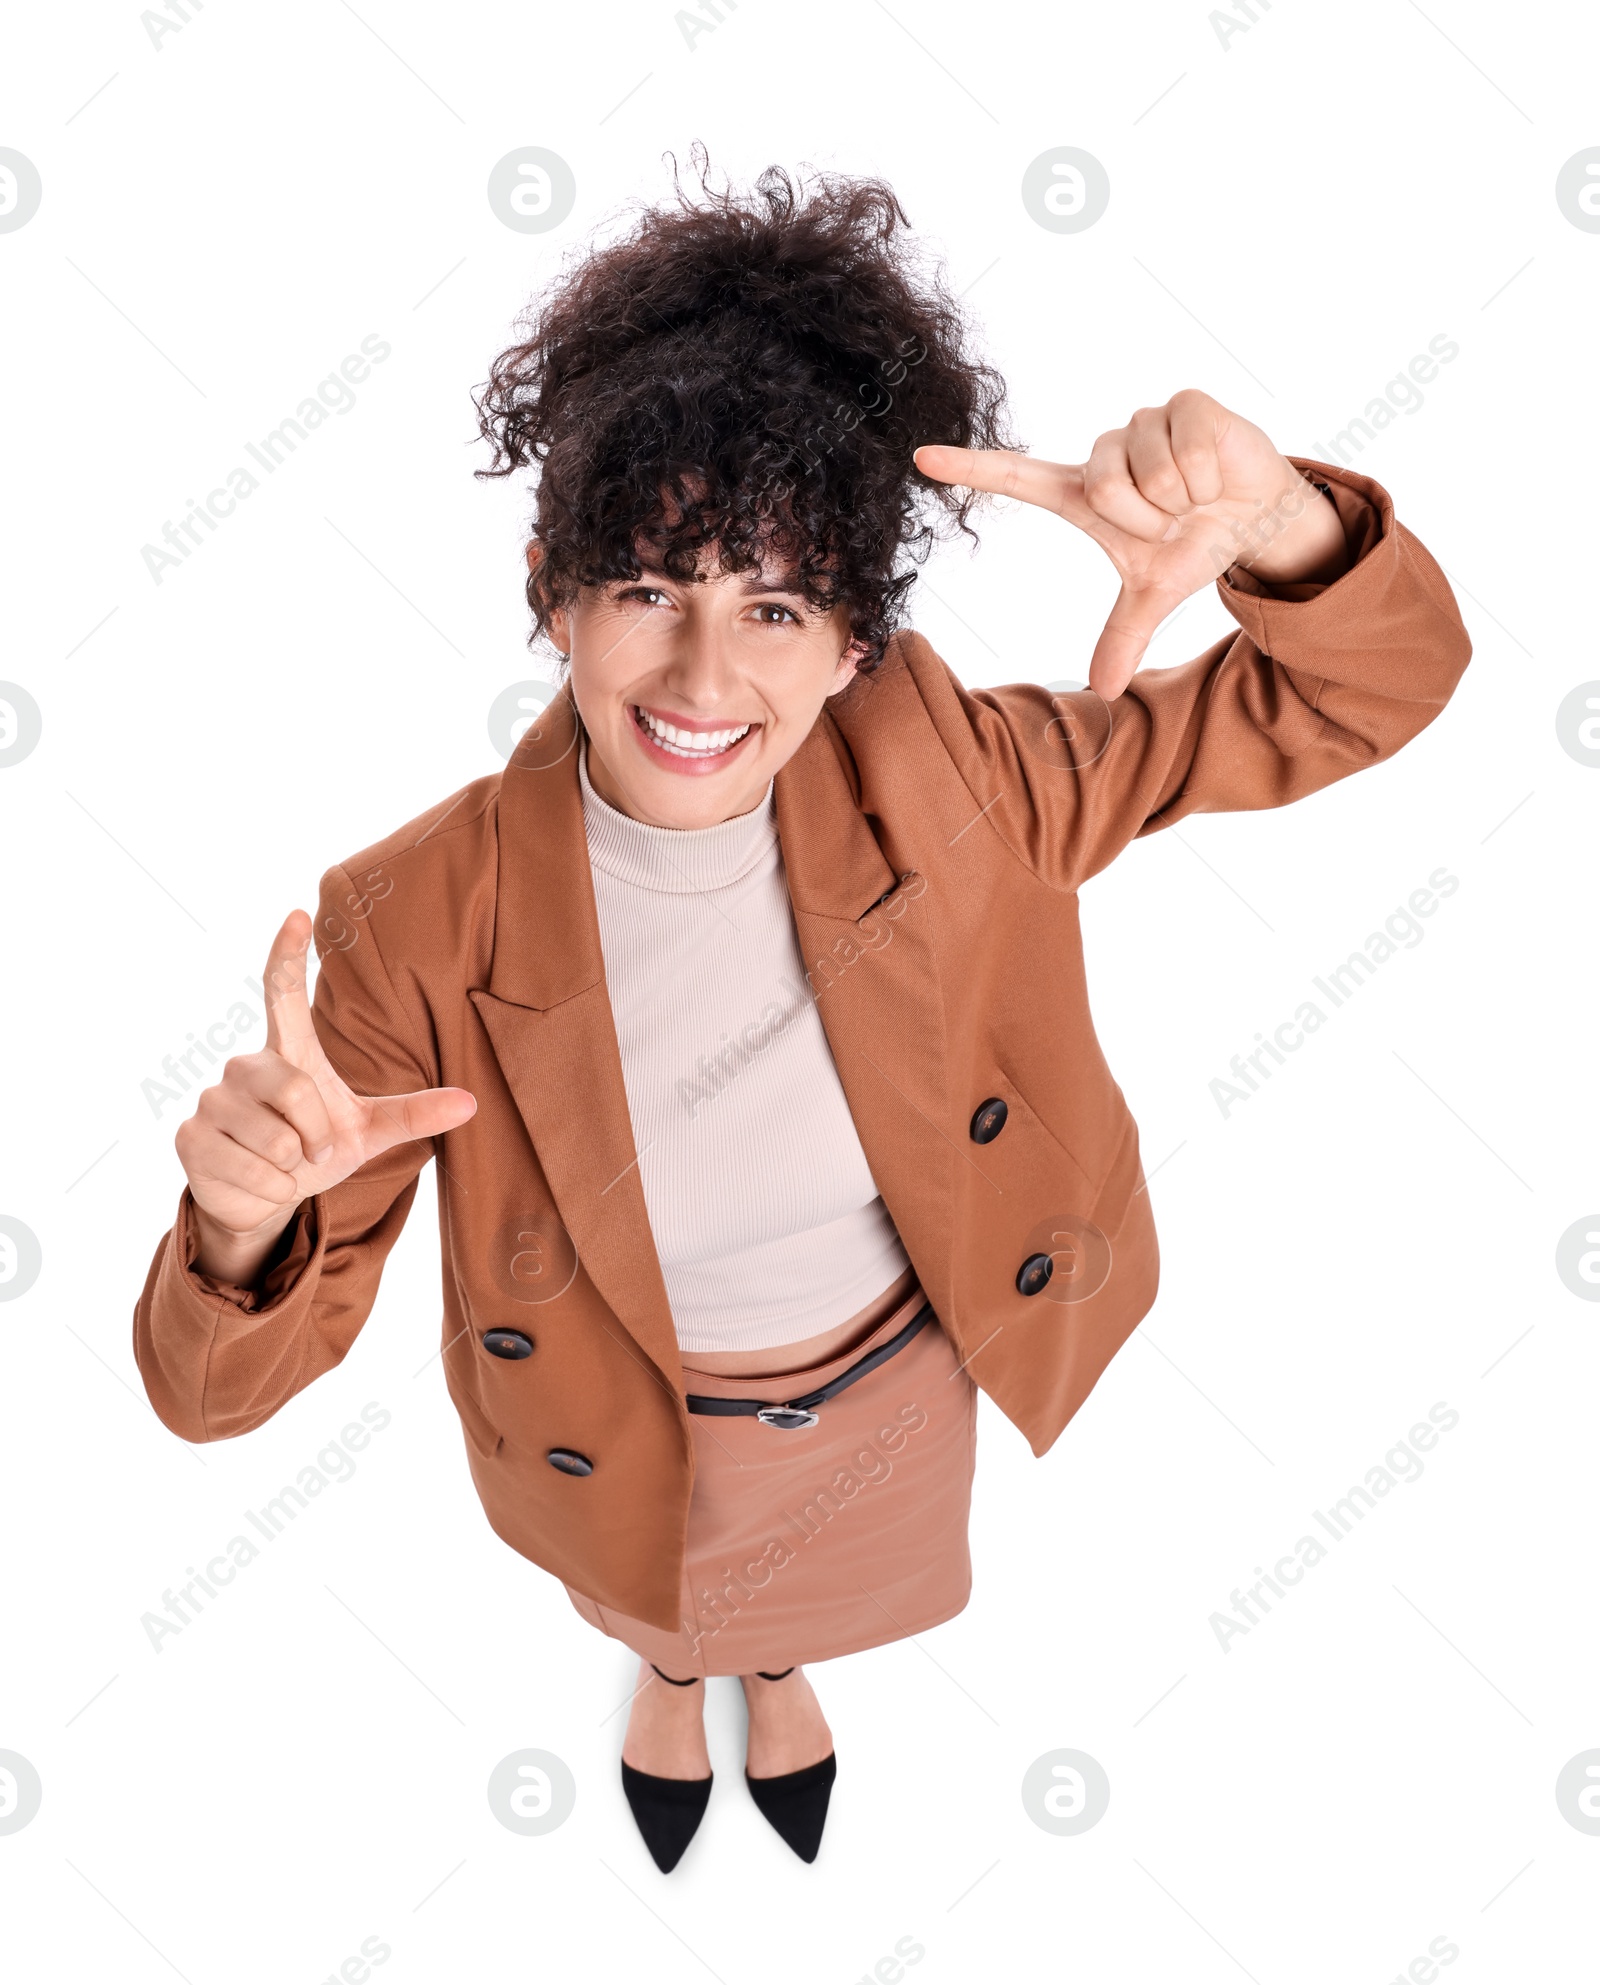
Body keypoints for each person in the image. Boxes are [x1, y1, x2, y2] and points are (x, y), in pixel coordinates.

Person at [132, 154, 1471, 1872]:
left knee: (797, 1590)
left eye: (773, 605)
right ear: (553, 587)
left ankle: (772, 1662)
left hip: (889, 1380)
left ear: (853, 639)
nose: (705, 679)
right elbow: (205, 1397)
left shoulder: (965, 782)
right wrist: (243, 1235)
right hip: (632, 1405)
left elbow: (1368, 693)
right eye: (647, 590)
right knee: (658, 1574)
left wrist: (1283, 523)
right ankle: (675, 1667)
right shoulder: (405, 921)